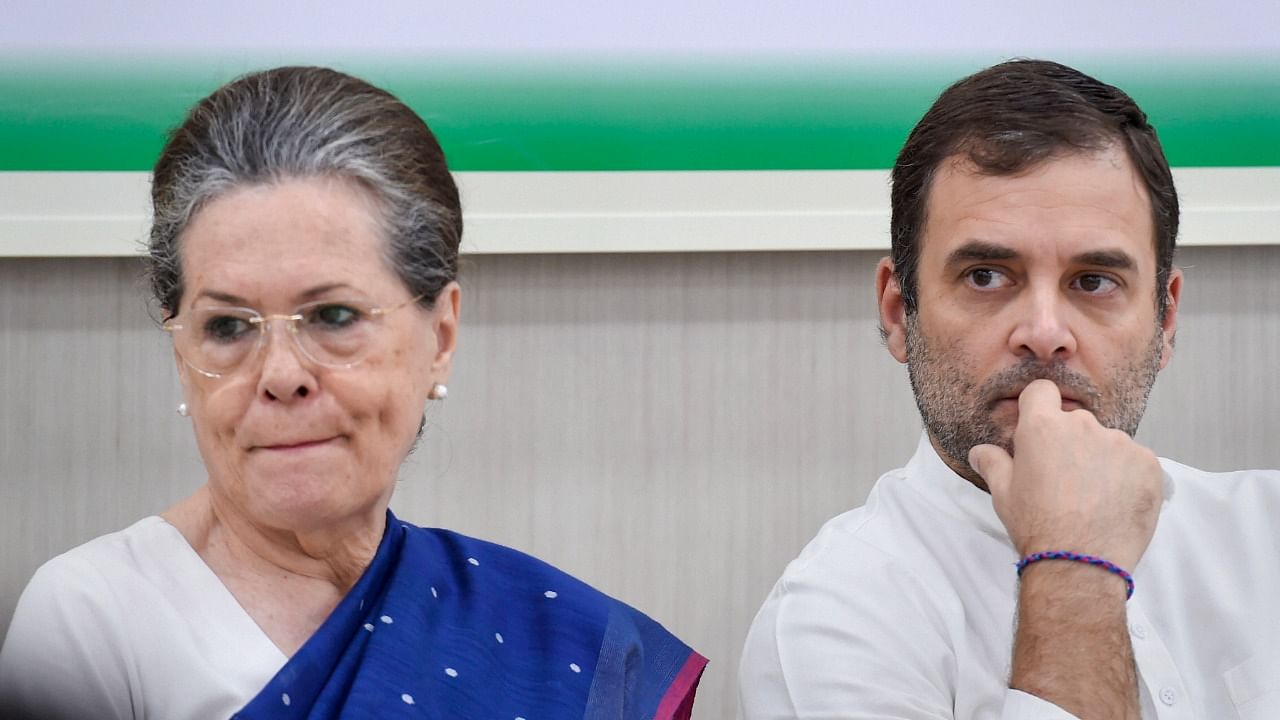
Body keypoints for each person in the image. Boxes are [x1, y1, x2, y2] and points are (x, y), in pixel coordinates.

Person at [0, 66, 705, 720]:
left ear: (442, 336)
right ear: (182, 354)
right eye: (226, 326)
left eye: (333, 316)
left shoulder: (557, 641)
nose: (280, 374)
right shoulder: (96, 620)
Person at [738, 59, 1280, 719]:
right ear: (897, 312)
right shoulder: (836, 618)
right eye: (987, 275)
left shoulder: (1266, 531)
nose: (1045, 334)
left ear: (1164, 321)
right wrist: (1073, 566)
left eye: (1093, 281)